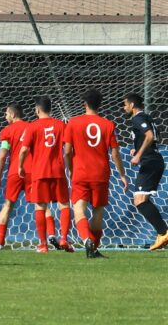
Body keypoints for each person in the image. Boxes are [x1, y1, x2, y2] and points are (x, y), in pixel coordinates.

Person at [64, 89, 128, 258]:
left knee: (79, 209)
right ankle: (94, 248)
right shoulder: (108, 124)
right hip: (101, 173)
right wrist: (122, 175)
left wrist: (71, 169)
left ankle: (86, 240)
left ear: (84, 104)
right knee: (98, 211)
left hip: (81, 173)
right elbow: (115, 153)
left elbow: (67, 151)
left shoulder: (73, 122)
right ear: (100, 105)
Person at [0, 103, 59, 250]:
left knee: (7, 206)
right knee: (41, 205)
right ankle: (52, 235)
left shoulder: (7, 131)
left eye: (6, 114)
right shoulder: (33, 127)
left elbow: (2, 156)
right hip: (33, 172)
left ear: (13, 115)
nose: (5, 117)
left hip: (15, 172)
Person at [18, 96, 72, 253]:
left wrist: (20, 166)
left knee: (40, 207)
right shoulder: (61, 125)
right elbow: (68, 148)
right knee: (64, 205)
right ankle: (63, 239)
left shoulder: (32, 127)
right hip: (58, 171)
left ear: (37, 110)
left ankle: (43, 244)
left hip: (39, 172)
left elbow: (23, 150)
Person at [123, 93, 168, 251]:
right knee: (140, 199)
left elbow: (149, 136)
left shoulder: (137, 118)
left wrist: (139, 156)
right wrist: (137, 148)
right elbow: (153, 137)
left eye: (125, 104)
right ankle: (163, 232)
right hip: (154, 160)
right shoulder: (148, 117)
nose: (124, 107)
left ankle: (163, 232)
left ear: (133, 105)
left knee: (140, 200)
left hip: (150, 162)